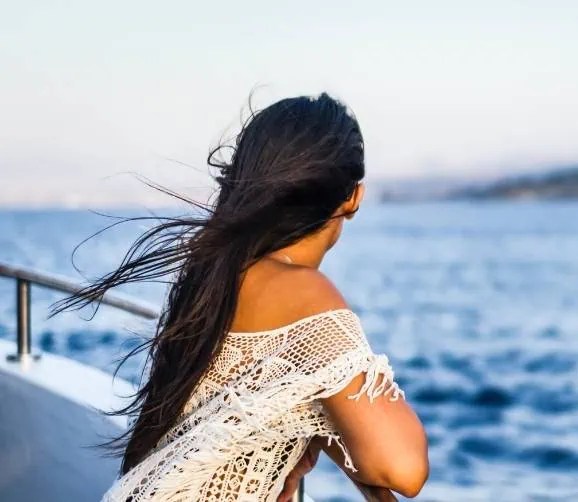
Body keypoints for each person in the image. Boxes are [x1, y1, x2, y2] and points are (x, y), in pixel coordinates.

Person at [54, 94, 429, 501]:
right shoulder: (304, 293)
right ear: (353, 198)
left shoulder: (215, 271)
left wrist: (322, 420)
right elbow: (403, 469)